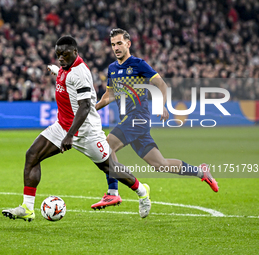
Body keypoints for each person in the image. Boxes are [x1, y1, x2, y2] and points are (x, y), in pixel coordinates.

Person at [2, 35, 152, 221]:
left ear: (75, 52)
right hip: (62, 126)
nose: (60, 58)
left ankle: (141, 191)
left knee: (109, 168)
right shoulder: (65, 67)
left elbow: (85, 107)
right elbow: (66, 79)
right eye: (58, 55)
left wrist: (70, 136)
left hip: (86, 131)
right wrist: (56, 70)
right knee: (32, 155)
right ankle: (27, 207)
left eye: (64, 55)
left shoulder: (80, 72)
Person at [91, 28, 219, 210]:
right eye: (113, 44)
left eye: (119, 43)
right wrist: (91, 109)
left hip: (138, 117)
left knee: (107, 145)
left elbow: (161, 84)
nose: (116, 47)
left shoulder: (138, 64)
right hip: (130, 121)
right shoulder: (112, 68)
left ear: (128, 43)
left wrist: (163, 105)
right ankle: (201, 172)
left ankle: (113, 193)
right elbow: (109, 96)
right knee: (160, 164)